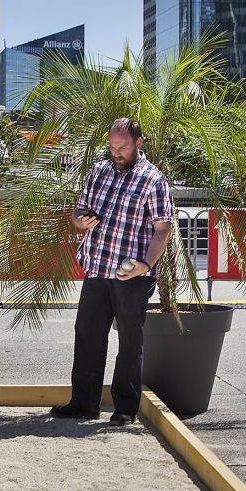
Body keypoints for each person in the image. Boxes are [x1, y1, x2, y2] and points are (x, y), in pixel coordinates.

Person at [51, 118, 173, 427]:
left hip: (132, 274)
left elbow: (163, 229)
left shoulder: (153, 180)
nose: (117, 152)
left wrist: (146, 265)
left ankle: (124, 408)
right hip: (97, 267)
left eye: (123, 147)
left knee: (130, 342)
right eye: (113, 146)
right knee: (88, 336)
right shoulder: (99, 171)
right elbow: (79, 210)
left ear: (138, 143)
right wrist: (81, 220)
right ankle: (83, 404)